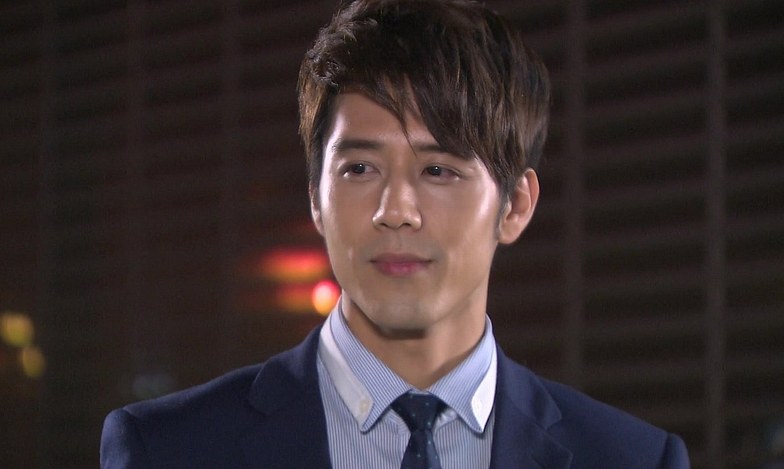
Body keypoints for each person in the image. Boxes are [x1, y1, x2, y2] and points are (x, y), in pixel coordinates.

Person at [100, 0, 690, 467]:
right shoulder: (169, 449)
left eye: (439, 171)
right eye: (360, 169)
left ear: (514, 206)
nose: (396, 210)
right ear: (315, 199)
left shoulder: (631, 459)